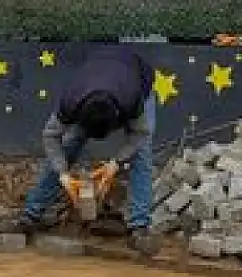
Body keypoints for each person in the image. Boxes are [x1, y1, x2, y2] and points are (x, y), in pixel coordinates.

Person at [13, 46, 159, 253]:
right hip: (95, 77)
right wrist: (62, 172)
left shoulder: (133, 99)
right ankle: (30, 214)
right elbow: (50, 135)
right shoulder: (71, 101)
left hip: (135, 75)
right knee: (68, 144)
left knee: (141, 155)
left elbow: (140, 134)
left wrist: (115, 162)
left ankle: (139, 226)